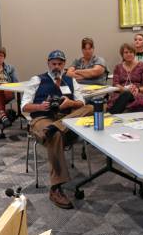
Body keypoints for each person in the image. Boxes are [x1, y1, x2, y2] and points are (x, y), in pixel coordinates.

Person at [22, 50, 93, 209]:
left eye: (60, 64)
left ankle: (55, 127)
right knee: (55, 136)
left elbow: (81, 102)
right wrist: (40, 106)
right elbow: (24, 106)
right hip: (42, 119)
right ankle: (56, 188)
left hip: (65, 121)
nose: (56, 66)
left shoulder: (70, 80)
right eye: (54, 63)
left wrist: (71, 104)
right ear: (48, 63)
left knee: (90, 107)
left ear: (64, 64)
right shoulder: (37, 79)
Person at [108, 43, 143, 114]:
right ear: (122, 54)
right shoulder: (118, 67)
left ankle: (111, 114)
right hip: (121, 92)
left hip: (137, 93)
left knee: (129, 95)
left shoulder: (142, 66)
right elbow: (115, 84)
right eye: (126, 52)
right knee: (125, 94)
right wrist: (125, 89)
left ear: (134, 53)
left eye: (131, 52)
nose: (128, 54)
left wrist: (137, 89)